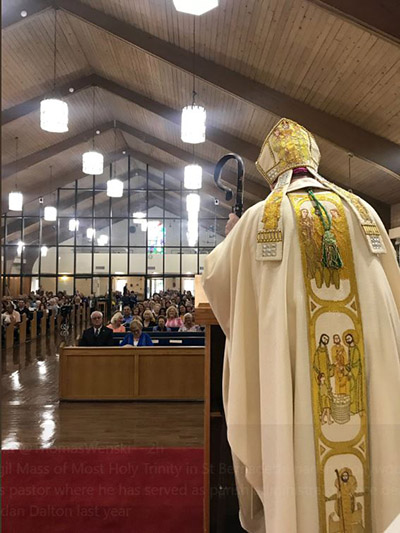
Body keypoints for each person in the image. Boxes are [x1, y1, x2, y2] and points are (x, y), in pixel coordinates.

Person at [202, 118, 400, 533]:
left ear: (272, 169)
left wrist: (231, 236)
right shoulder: (364, 211)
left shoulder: (261, 218)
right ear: (314, 160)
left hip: (300, 383)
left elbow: (217, 279)